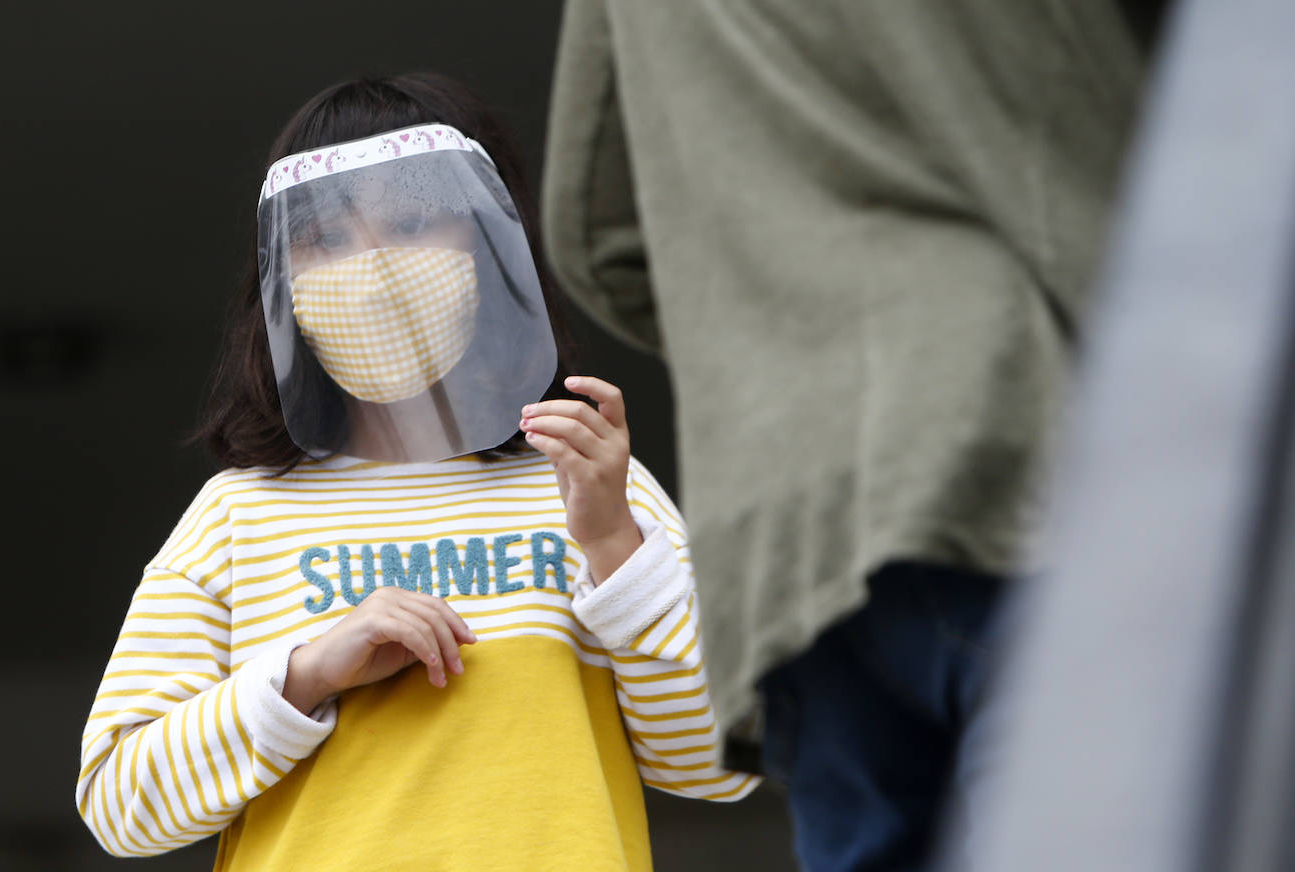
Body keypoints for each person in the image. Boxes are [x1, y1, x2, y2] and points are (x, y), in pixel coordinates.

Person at [75, 73, 757, 872]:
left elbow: (720, 764)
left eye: (409, 222)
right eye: (325, 238)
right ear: (278, 281)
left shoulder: (594, 484)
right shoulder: (237, 515)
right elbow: (122, 807)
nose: (374, 266)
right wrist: (309, 674)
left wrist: (613, 544)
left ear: (493, 243)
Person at [541, 3, 1144, 869]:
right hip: (999, 446)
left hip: (787, 521)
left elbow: (595, 237)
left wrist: (780, 367)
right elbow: (1108, 169)